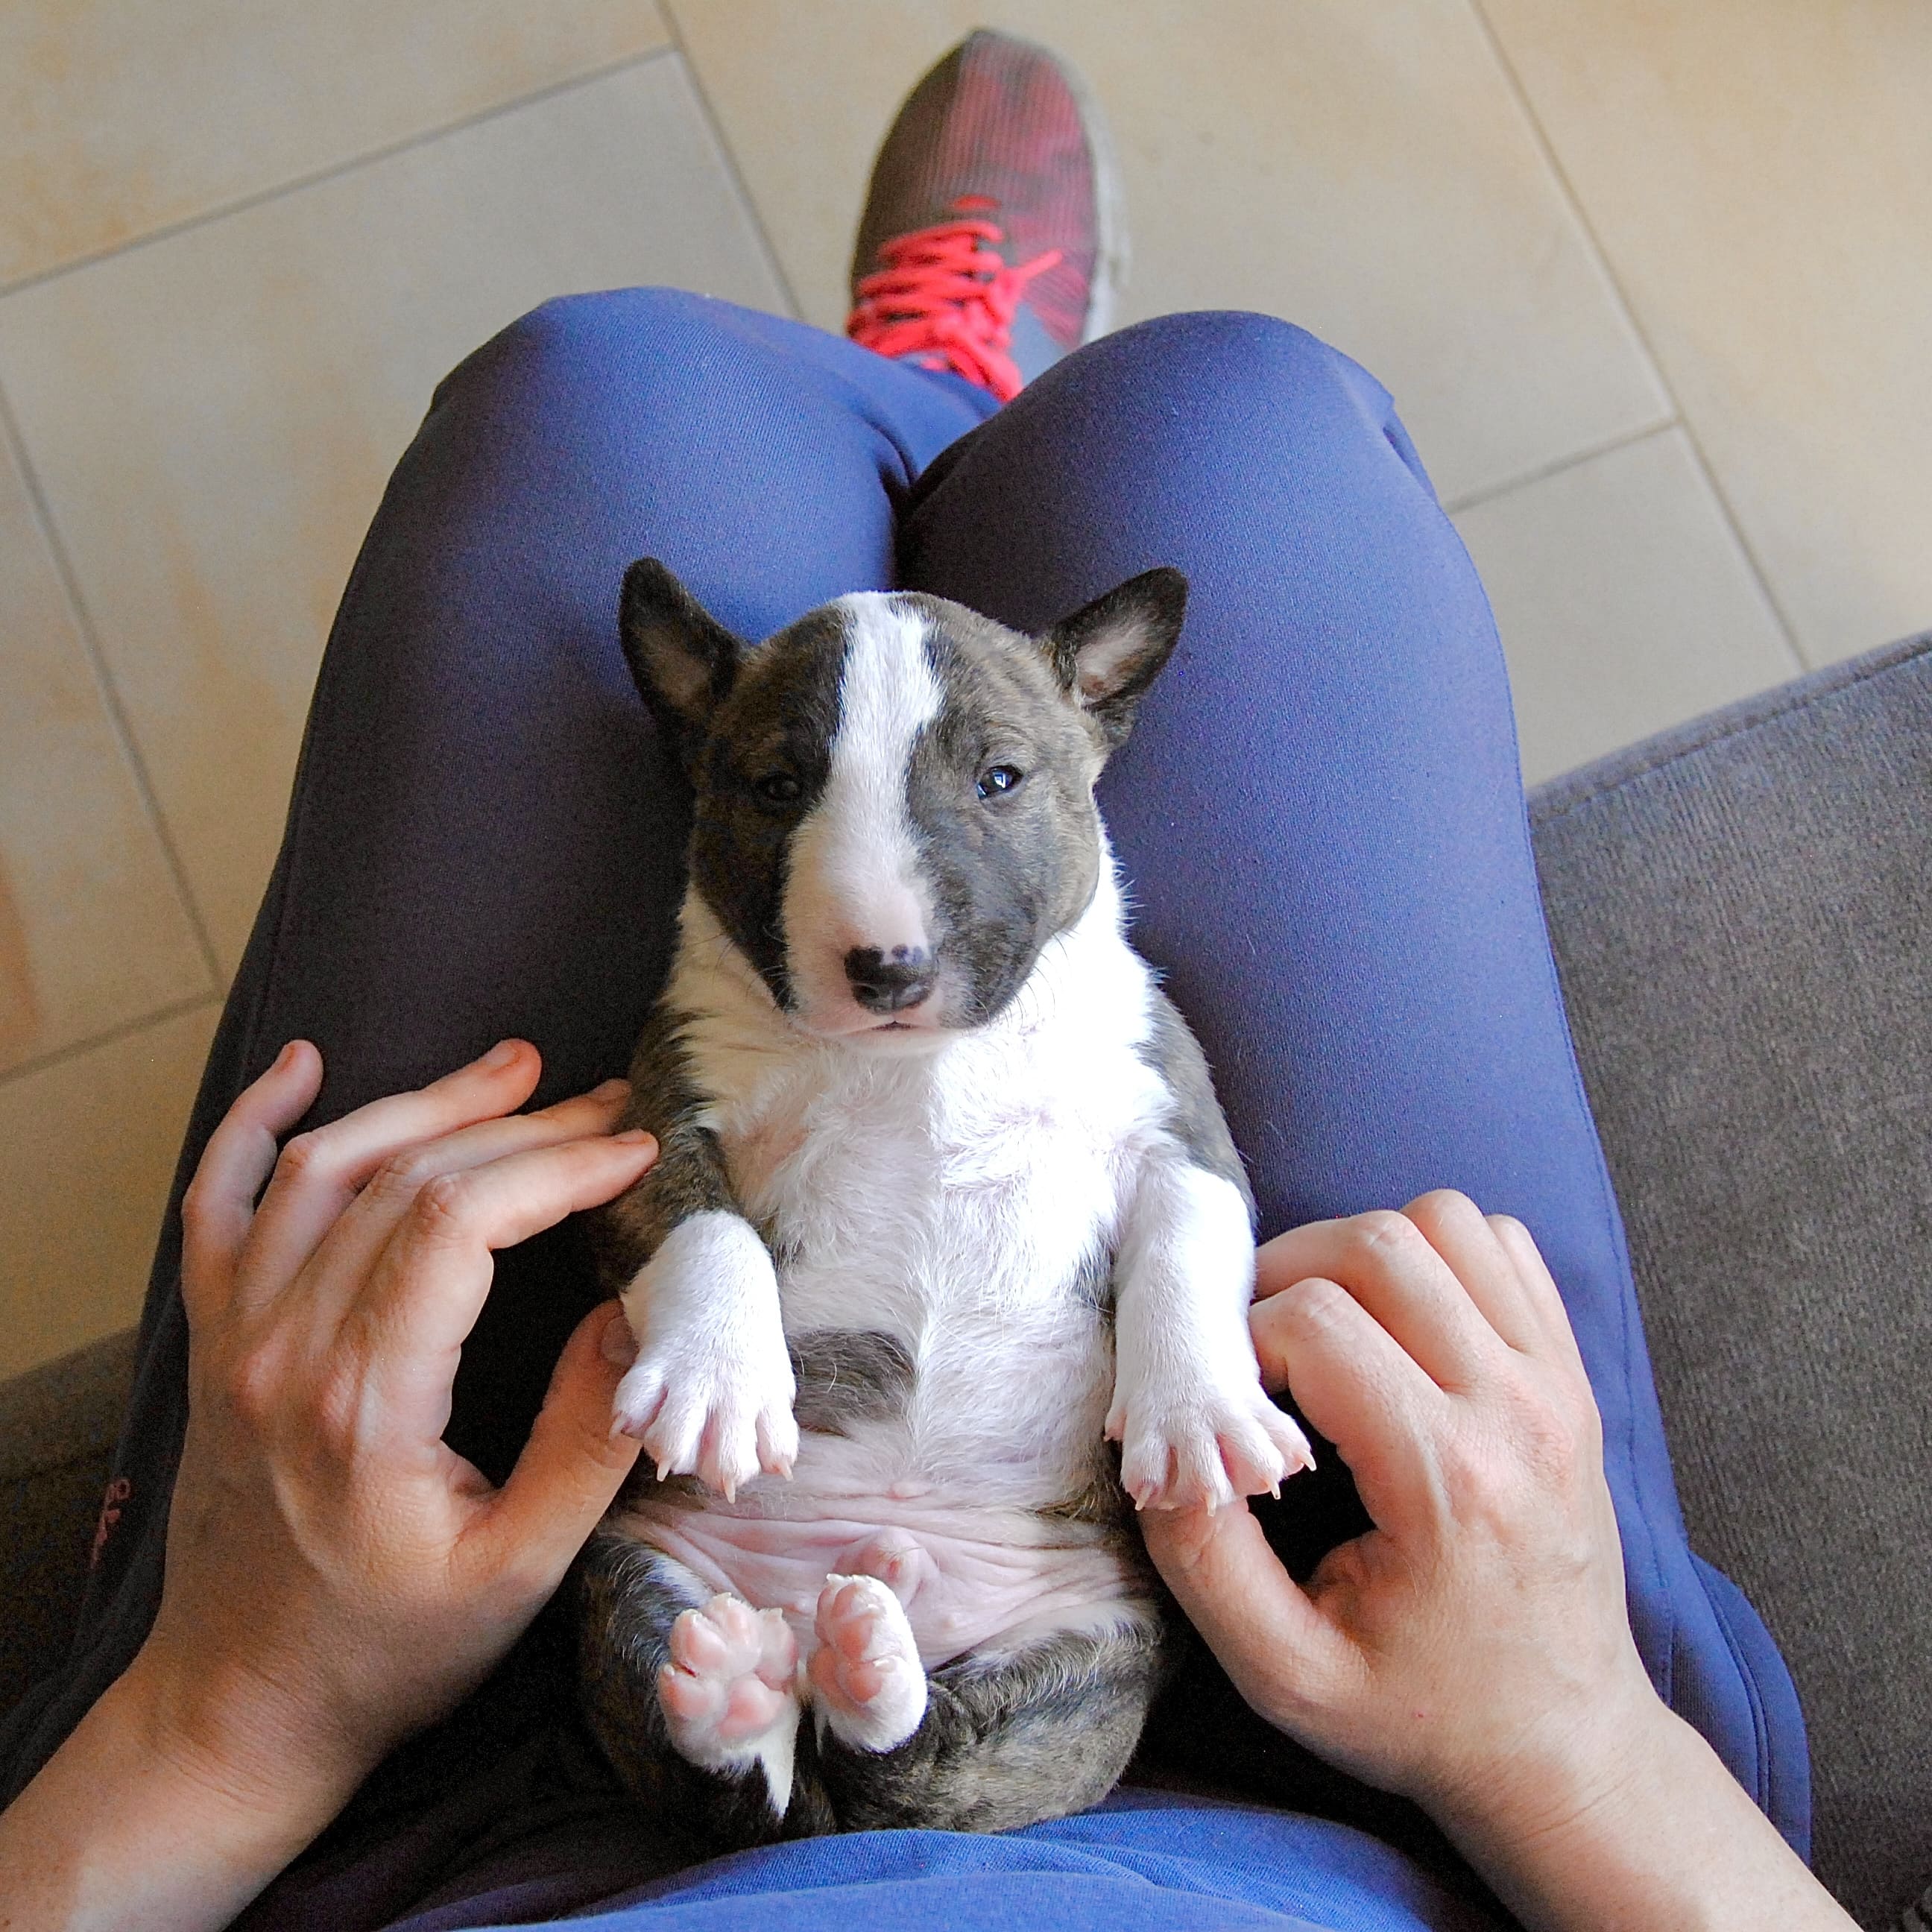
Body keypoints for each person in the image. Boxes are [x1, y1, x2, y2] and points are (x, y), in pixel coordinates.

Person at [0, 31, 1856, 1932]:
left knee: (597, 388)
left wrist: (218, 1725)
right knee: (1242, 422)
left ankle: (927, 423)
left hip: (450, 1789)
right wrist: (1583, 1751)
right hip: (1408, 1787)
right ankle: (958, 438)